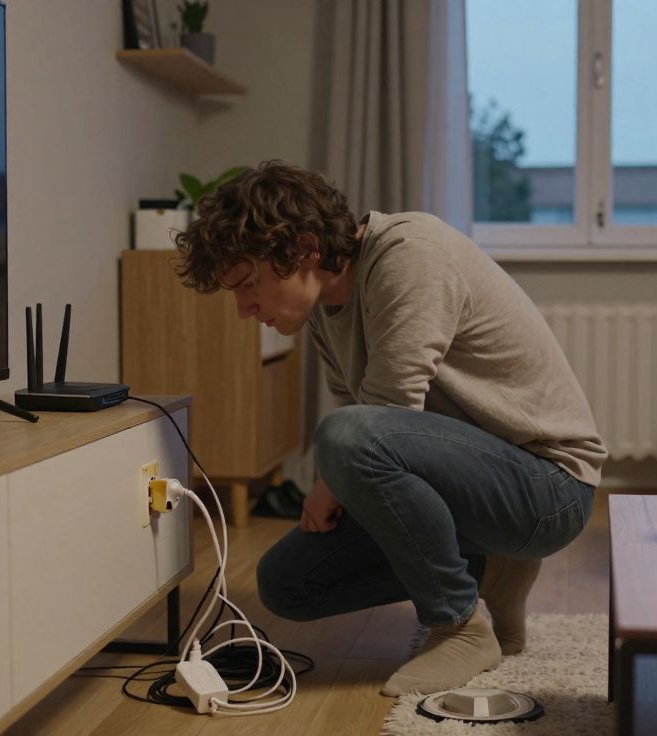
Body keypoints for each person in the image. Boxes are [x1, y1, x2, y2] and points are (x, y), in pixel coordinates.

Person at [174, 161, 606, 696]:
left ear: (306, 249)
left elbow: (387, 414)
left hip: (548, 489)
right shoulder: (324, 313)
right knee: (287, 584)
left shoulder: (409, 253)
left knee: (344, 437)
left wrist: (329, 482)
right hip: (471, 483)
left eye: (247, 285)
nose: (243, 309)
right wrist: (338, 485)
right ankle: (491, 571)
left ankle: (459, 626)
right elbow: (381, 431)